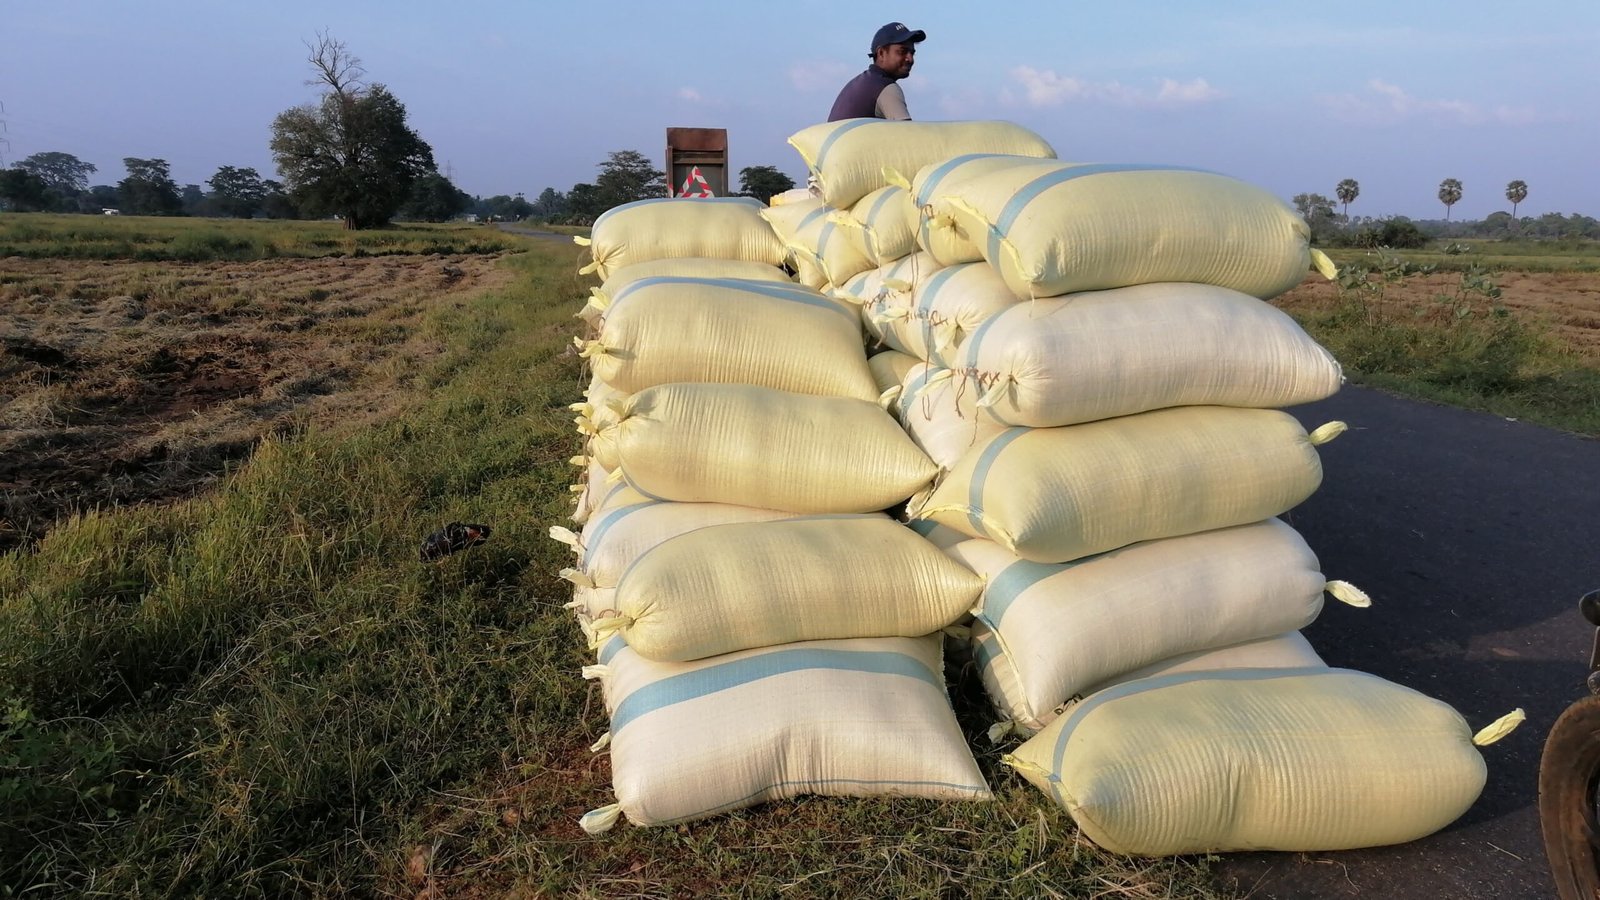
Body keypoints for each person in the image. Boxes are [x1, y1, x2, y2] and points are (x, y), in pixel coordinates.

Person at [828, 22, 925, 122]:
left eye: (912, 53)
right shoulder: (885, 87)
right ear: (881, 53)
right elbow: (907, 130)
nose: (910, 59)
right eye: (902, 52)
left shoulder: (859, 84)